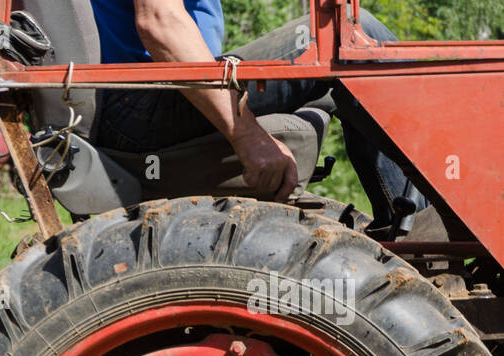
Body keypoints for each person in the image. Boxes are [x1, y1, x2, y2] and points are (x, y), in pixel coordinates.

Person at [90, 0, 424, 233]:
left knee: (336, 71)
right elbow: (159, 21)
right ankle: (431, 227)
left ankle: (404, 228)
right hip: (141, 101)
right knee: (350, 35)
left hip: (151, 96)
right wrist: (246, 134)